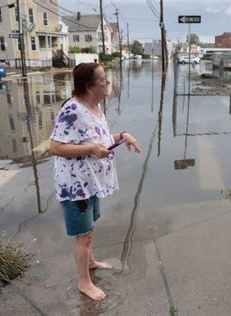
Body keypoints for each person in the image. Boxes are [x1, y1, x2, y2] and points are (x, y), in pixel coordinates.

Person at [50, 63, 140, 301]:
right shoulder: (72, 109)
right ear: (89, 86)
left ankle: (90, 262)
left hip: (91, 182)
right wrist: (90, 149)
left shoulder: (96, 108)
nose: (107, 82)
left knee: (89, 228)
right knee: (84, 234)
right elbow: (56, 147)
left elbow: (100, 139)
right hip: (75, 185)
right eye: (103, 79)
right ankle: (84, 283)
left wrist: (122, 137)